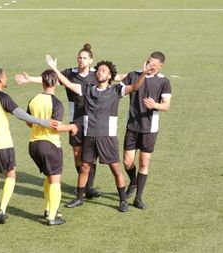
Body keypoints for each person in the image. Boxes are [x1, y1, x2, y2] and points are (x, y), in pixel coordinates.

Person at [15, 43, 125, 199]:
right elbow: (51, 78)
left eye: (84, 58)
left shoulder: (97, 73)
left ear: (91, 60)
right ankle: (85, 185)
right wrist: (29, 79)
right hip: (76, 119)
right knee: (78, 153)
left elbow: (119, 77)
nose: (81, 60)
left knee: (90, 154)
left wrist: (142, 74)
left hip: (93, 119)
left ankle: (89, 187)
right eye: (79, 58)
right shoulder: (69, 73)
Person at [45, 55, 150, 212]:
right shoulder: (87, 89)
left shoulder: (116, 90)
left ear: (110, 76)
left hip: (107, 137)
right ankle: (80, 198)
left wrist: (143, 74)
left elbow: (134, 87)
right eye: (99, 70)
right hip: (89, 136)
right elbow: (67, 83)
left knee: (115, 168)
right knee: (85, 167)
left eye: (104, 71)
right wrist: (54, 68)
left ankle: (123, 200)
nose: (100, 72)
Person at [0, 68, 58, 224]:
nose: (6, 79)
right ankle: (2, 210)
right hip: (3, 144)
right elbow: (21, 115)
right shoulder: (3, 97)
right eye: (5, 77)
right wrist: (44, 121)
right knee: (11, 175)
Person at [26, 69, 78, 226]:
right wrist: (71, 127)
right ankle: (52, 217)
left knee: (49, 177)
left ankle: (49, 209)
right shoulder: (56, 103)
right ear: (56, 82)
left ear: (42, 82)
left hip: (33, 144)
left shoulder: (33, 100)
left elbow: (28, 121)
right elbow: (56, 127)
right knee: (55, 181)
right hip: (50, 145)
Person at [121, 52, 172, 210]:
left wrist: (155, 105)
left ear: (159, 66)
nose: (149, 66)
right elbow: (119, 91)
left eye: (152, 65)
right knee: (127, 162)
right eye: (148, 62)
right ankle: (133, 181)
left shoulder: (163, 81)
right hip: (132, 126)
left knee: (144, 162)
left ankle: (138, 198)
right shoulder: (133, 75)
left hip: (150, 128)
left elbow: (166, 105)